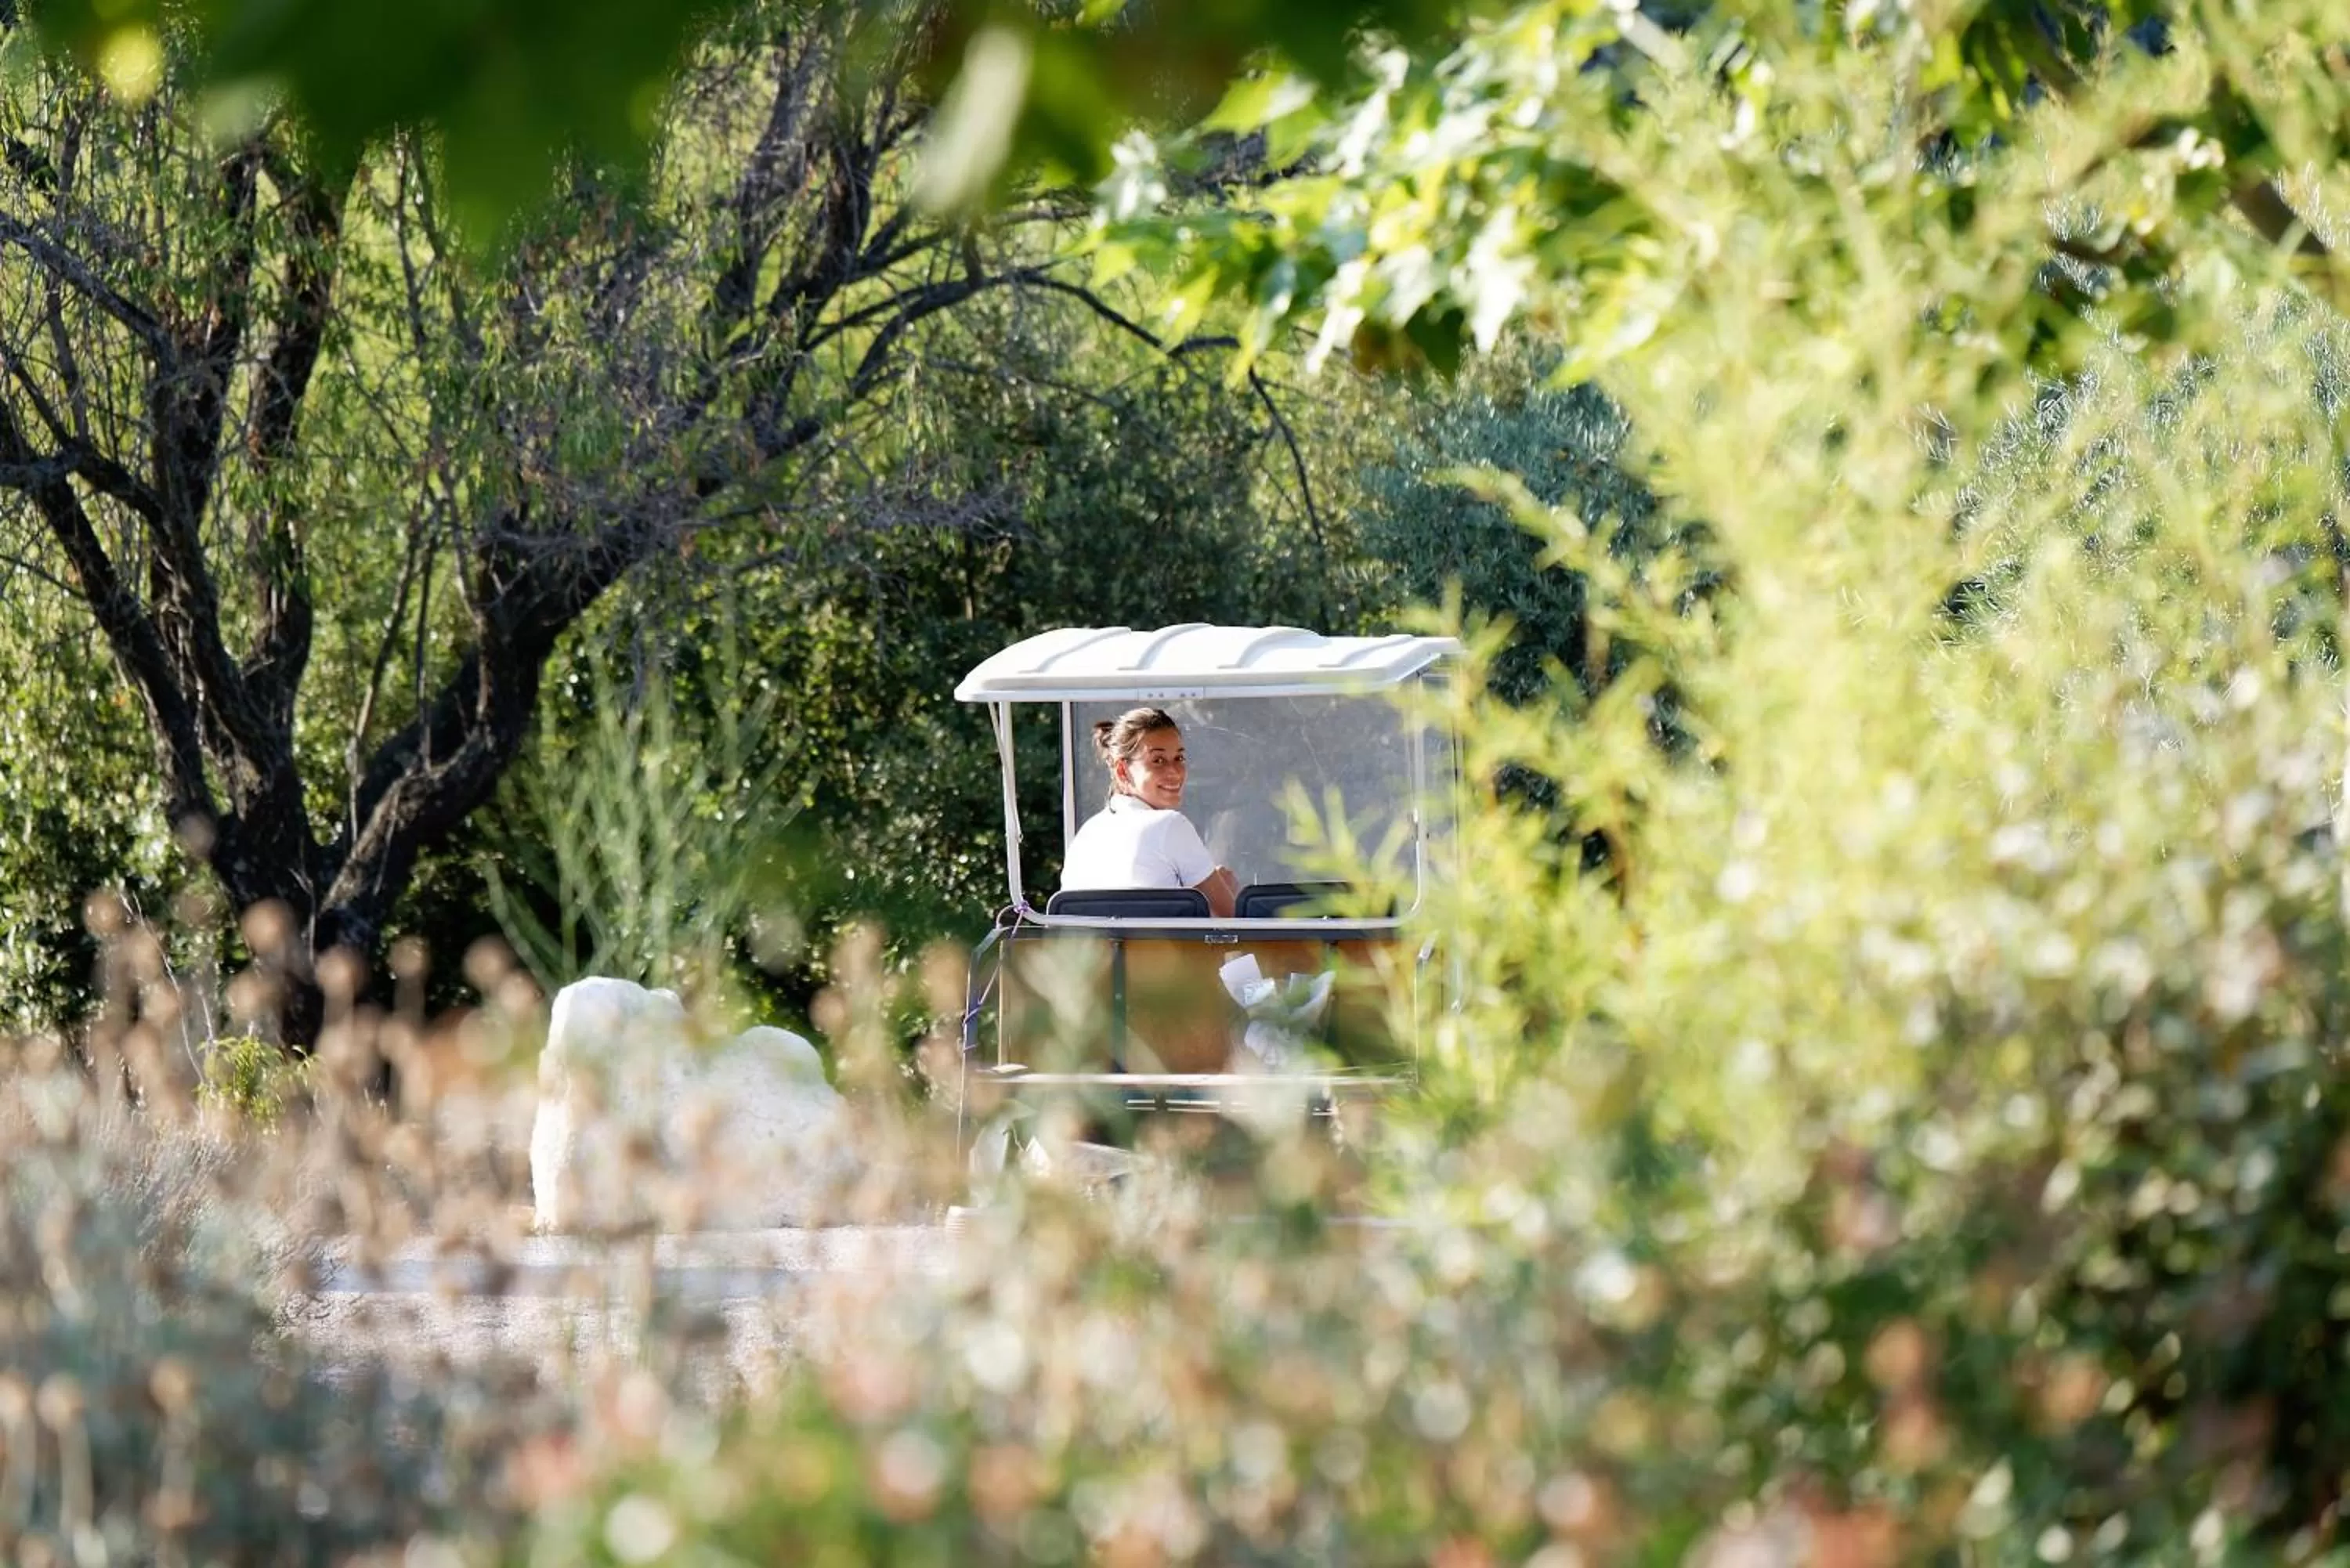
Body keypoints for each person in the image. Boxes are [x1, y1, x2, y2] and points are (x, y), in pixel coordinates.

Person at [1060, 706, 1240, 918]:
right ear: (1122, 770)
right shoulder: (1170, 824)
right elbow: (1236, 924)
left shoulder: (1086, 834)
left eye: (1179, 759)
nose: (1174, 772)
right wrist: (1227, 890)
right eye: (1158, 761)